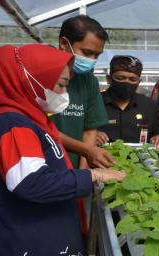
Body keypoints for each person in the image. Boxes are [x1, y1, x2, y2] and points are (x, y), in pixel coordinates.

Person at [0, 44, 125, 256]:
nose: (64, 94)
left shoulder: (21, 119)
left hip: (39, 240)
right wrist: (95, 175)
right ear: (29, 78)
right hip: (38, 251)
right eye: (61, 85)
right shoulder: (13, 125)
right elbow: (31, 183)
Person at [52, 15, 114, 170]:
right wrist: (87, 150)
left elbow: (89, 130)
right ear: (64, 44)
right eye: (87, 53)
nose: (92, 60)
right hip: (44, 166)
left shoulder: (89, 81)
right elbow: (41, 128)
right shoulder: (41, 75)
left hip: (74, 167)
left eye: (97, 55)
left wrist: (83, 172)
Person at [97, 55, 159, 147]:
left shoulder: (148, 106)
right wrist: (92, 135)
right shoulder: (94, 103)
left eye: (132, 79)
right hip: (101, 158)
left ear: (139, 82)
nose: (126, 82)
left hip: (139, 159)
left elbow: (157, 130)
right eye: (120, 78)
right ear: (109, 79)